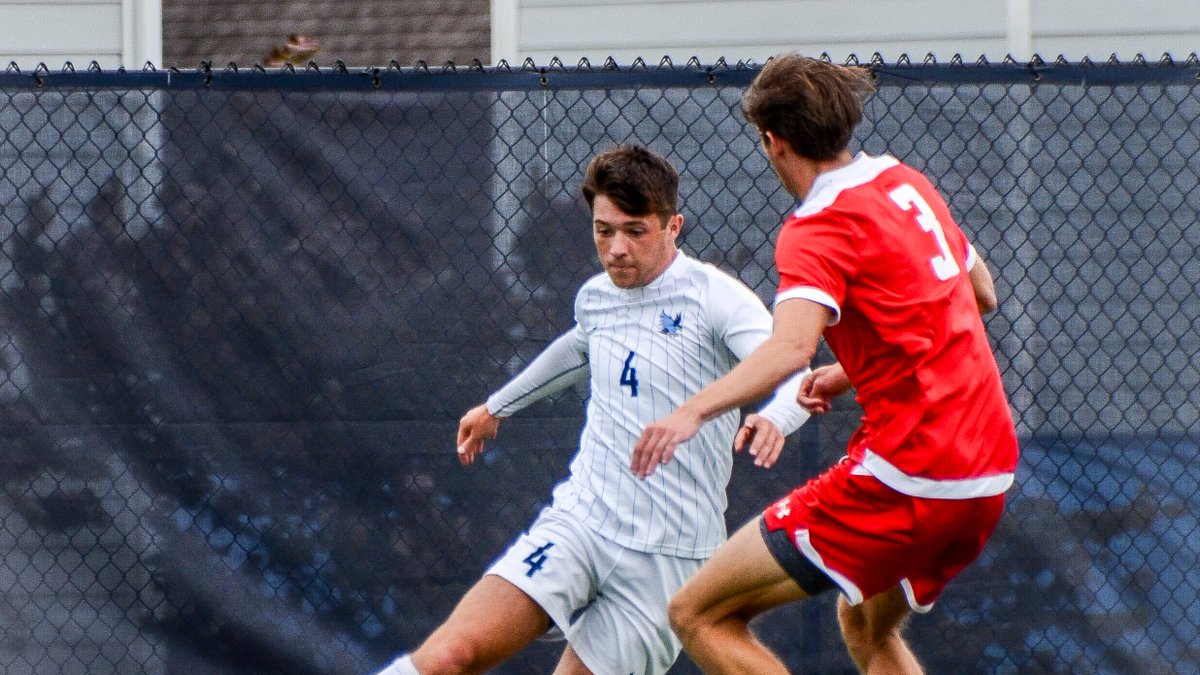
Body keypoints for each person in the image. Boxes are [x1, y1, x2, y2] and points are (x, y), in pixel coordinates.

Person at [630, 53, 1018, 674]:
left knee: (697, 613)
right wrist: (851, 371)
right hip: (989, 470)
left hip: (909, 476)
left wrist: (690, 412)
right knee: (864, 623)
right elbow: (979, 296)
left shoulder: (815, 226)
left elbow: (790, 348)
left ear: (773, 141)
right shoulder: (906, 182)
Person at [374, 145, 812, 675]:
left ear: (674, 226)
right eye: (604, 231)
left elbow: (793, 367)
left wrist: (776, 416)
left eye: (635, 230)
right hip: (581, 521)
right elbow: (580, 347)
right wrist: (497, 406)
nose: (617, 248)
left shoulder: (716, 298)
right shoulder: (596, 298)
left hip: (668, 555)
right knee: (450, 655)